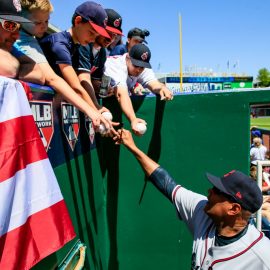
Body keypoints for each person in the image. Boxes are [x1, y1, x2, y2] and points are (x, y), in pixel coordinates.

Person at [113, 129, 270, 269]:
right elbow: (167, 184)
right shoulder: (202, 211)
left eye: (217, 190)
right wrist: (133, 147)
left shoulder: (262, 256)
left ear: (234, 209)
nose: (209, 191)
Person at [14, 0, 110, 129]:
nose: (44, 26)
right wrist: (92, 110)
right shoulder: (58, 43)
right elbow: (55, 80)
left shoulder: (77, 45)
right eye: (38, 22)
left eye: (47, 21)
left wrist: (96, 109)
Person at [104, 43, 173, 135]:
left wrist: (161, 88)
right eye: (136, 65)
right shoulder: (116, 65)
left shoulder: (142, 68)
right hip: (94, 99)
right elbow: (121, 94)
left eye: (142, 67)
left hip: (113, 100)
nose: (139, 70)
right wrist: (133, 119)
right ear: (128, 57)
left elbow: (152, 83)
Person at [74, 8, 123, 110]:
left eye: (114, 35)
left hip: (80, 97)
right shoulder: (84, 44)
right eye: (108, 32)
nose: (110, 38)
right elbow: (83, 78)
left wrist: (104, 87)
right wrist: (96, 107)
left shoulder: (102, 52)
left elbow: (94, 80)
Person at [0, 0, 44, 84]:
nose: (17, 36)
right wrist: (18, 67)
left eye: (19, 28)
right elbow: (8, 68)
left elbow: (38, 74)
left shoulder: (11, 47)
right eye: (10, 25)